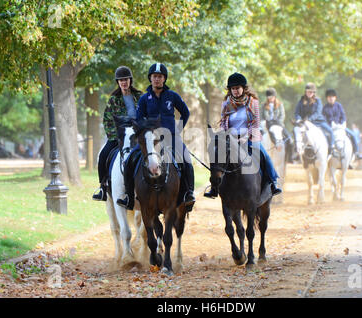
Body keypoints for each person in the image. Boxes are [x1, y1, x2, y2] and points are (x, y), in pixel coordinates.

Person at [119, 63, 196, 212]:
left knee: (186, 159)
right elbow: (139, 119)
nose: (157, 79)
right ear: (150, 78)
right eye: (154, 76)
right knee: (129, 160)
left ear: (164, 79)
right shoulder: (144, 99)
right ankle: (129, 196)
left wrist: (178, 129)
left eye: (160, 77)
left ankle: (189, 193)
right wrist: (145, 132)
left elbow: (185, 112)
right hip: (150, 138)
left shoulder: (173, 96)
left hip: (170, 136)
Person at [204, 73, 282, 198]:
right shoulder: (226, 103)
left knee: (264, 154)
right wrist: (225, 134)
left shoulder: (253, 102)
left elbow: (255, 122)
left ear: (243, 88)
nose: (235, 91)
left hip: (250, 136)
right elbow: (223, 122)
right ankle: (214, 187)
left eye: (237, 88)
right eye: (232, 89)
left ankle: (274, 182)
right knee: (217, 153)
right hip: (231, 137)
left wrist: (246, 136)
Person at [92, 66, 142, 201]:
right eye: (120, 80)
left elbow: (146, 116)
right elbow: (107, 120)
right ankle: (103, 187)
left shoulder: (140, 96)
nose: (123, 83)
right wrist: (116, 137)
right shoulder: (113, 99)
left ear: (130, 80)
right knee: (103, 155)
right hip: (119, 136)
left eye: (125, 80)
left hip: (138, 135)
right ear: (118, 82)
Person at [294, 83, 338, 157]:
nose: (310, 93)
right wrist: (298, 119)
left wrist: (309, 119)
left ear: (314, 92)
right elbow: (297, 112)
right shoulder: (301, 101)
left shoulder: (318, 101)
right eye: (308, 92)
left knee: (330, 131)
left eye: (311, 92)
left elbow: (317, 113)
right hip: (304, 122)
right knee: (297, 131)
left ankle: (332, 148)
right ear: (306, 92)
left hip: (318, 121)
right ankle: (297, 150)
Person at [322, 89, 362, 160]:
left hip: (340, 126)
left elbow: (343, 116)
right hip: (330, 128)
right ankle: (327, 154)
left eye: (332, 96)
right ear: (327, 98)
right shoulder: (324, 108)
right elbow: (324, 119)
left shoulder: (339, 106)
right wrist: (329, 125)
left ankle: (356, 153)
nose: (331, 98)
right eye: (329, 97)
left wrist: (343, 123)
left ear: (335, 97)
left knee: (353, 135)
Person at [262, 87, 295, 162]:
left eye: (271, 97)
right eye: (268, 97)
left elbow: (282, 116)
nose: (270, 99)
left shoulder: (280, 104)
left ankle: (289, 158)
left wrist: (277, 124)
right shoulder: (264, 105)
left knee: (290, 140)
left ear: (274, 97)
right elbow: (262, 117)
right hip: (267, 125)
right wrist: (266, 123)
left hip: (278, 125)